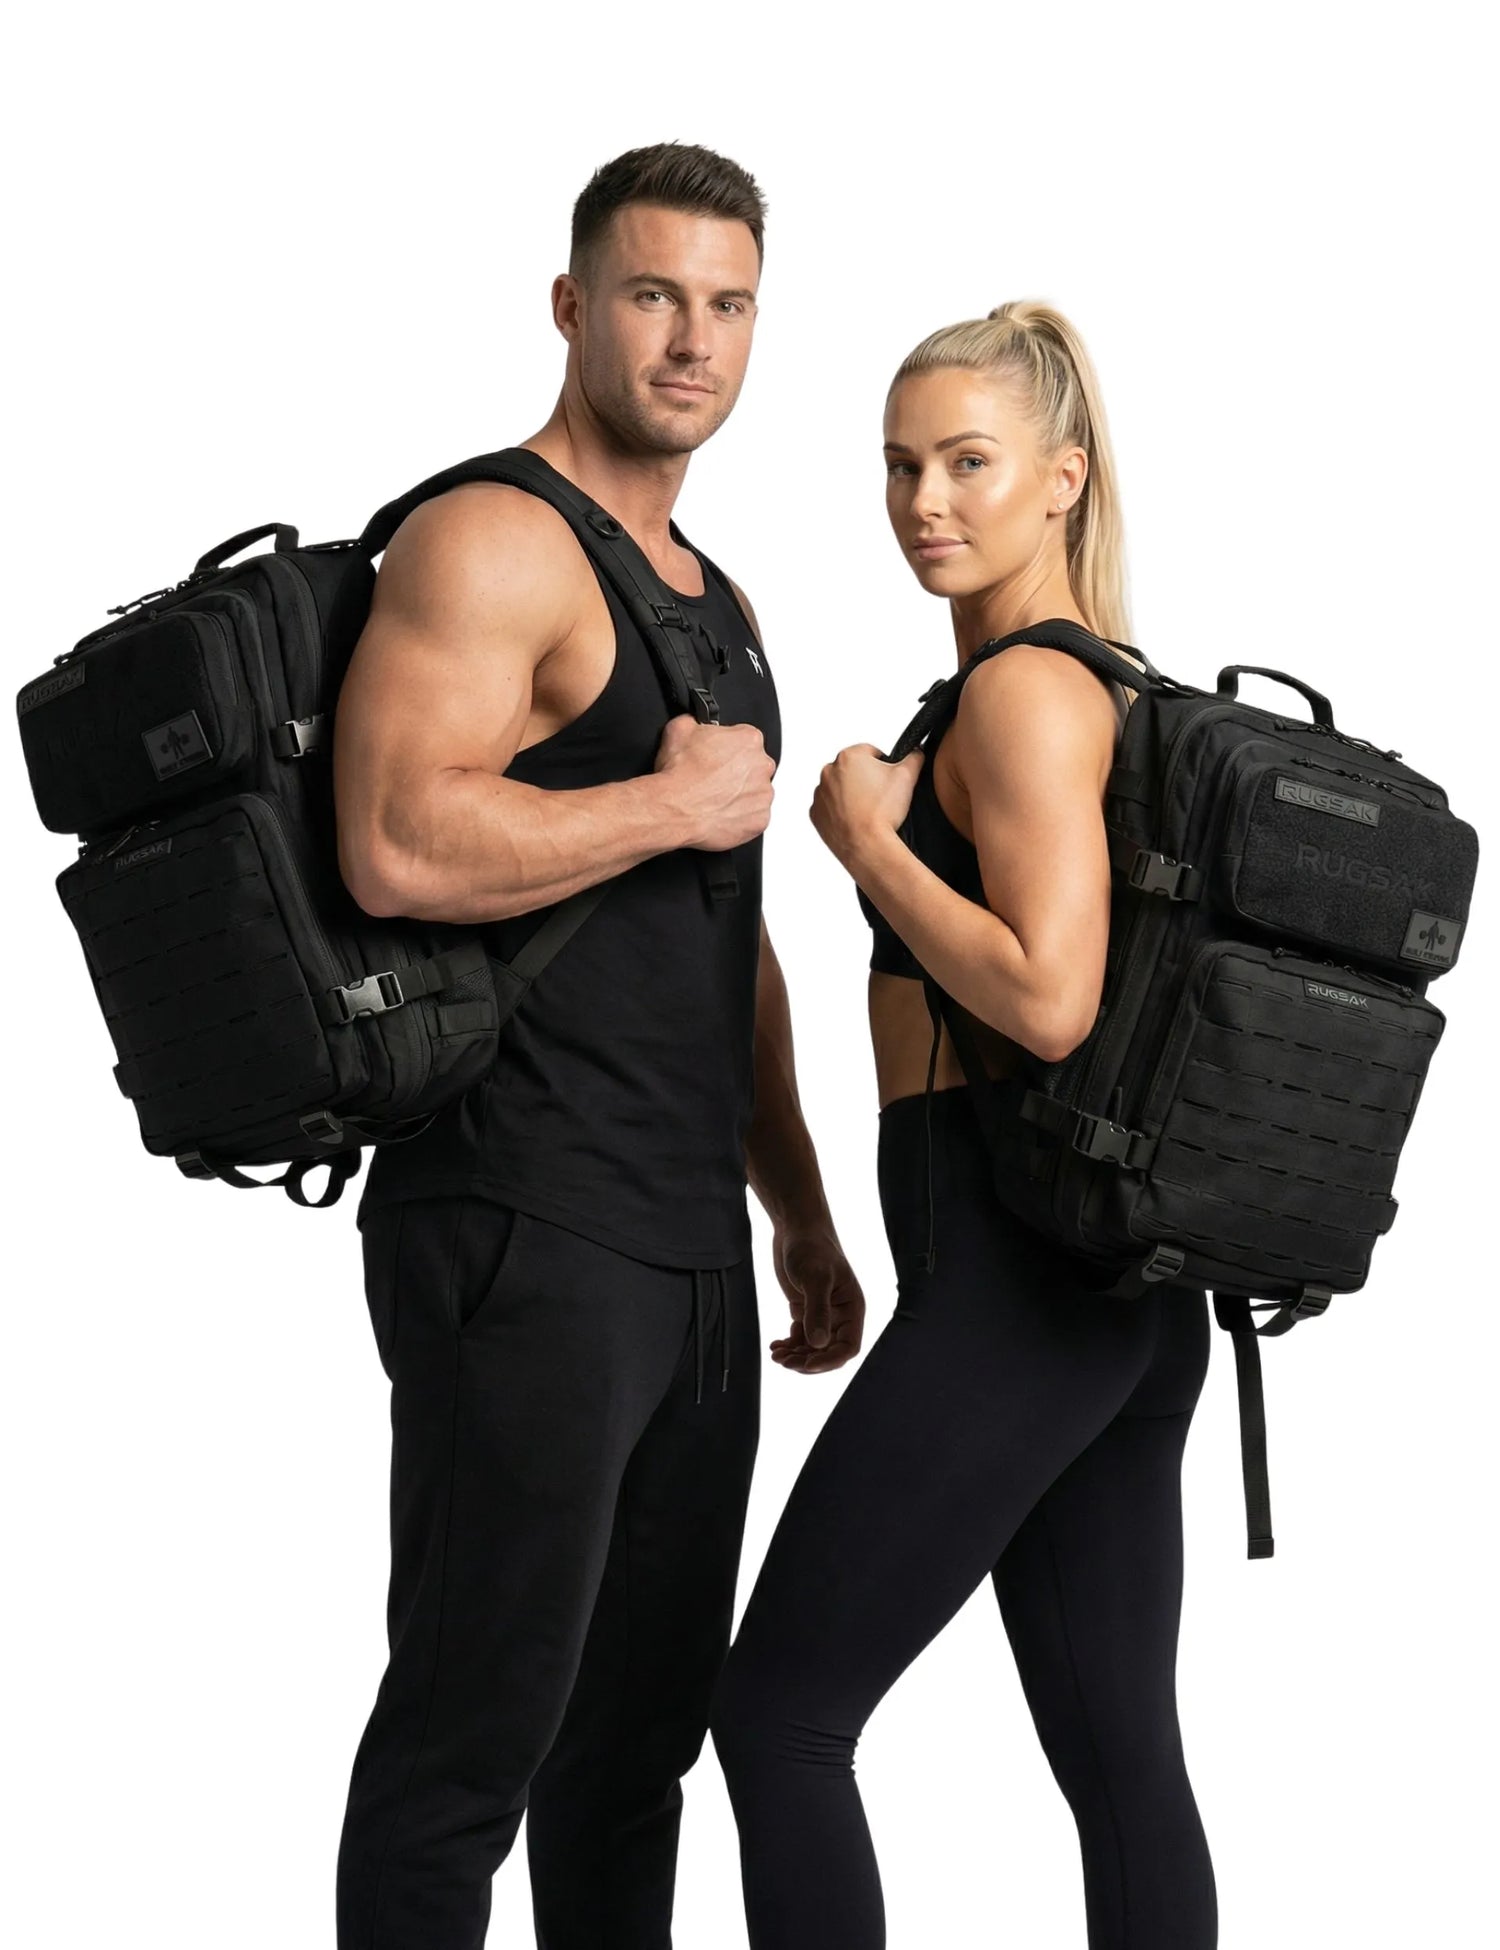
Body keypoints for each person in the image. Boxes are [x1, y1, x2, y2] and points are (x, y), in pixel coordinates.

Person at [330, 142, 865, 1950]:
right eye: (652, 295)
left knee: (634, 1760)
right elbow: (393, 838)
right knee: (468, 1742)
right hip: (520, 1214)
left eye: (728, 305)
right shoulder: (490, 539)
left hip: (687, 1247)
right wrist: (663, 801)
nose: (692, 340)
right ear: (573, 306)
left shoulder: (720, 603)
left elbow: (729, 937)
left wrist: (795, 1208)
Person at [711, 301, 1218, 1949]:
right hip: (1110, 1297)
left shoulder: (1023, 697)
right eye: (899, 465)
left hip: (1016, 1285)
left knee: (779, 1715)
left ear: (1062, 479)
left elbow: (1052, 999)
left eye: (968, 463)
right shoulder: (1074, 687)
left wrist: (870, 842)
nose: (925, 500)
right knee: (1122, 1762)